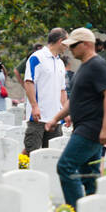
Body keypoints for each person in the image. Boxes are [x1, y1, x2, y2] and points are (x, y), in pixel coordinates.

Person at [48, 28, 106, 210]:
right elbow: (75, 101)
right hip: (84, 126)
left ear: (86, 44)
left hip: (91, 128)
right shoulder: (85, 67)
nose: (70, 49)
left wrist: (105, 128)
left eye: (74, 45)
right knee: (89, 174)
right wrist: (56, 118)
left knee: (65, 166)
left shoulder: (97, 65)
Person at [22, 28, 68, 156]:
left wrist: (66, 112)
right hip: (38, 116)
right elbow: (29, 82)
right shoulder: (37, 57)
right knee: (32, 153)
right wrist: (34, 106)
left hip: (56, 118)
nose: (68, 46)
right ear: (60, 41)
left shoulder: (60, 63)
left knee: (52, 157)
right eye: (66, 42)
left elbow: (62, 90)